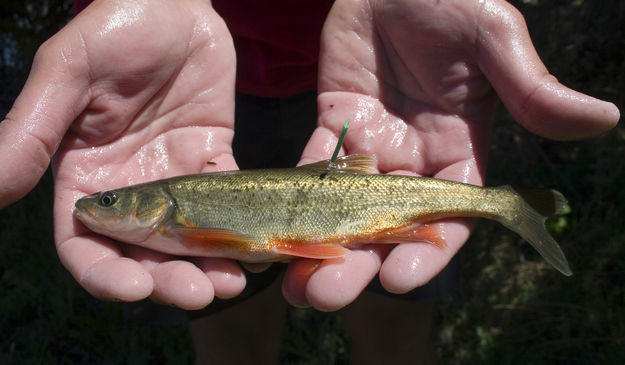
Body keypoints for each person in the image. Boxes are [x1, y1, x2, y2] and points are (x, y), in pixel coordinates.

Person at [0, 0, 619, 363]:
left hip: (379, 69)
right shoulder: (173, 204)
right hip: (186, 83)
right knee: (221, 311)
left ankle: (502, 209)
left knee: (394, 306)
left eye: (110, 202)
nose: (98, 205)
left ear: (146, 202)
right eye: (107, 201)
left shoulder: (176, 210)